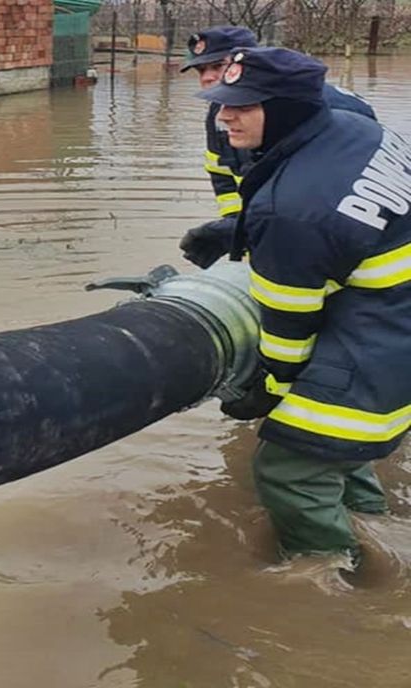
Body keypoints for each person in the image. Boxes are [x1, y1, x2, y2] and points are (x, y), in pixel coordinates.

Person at [197, 46, 411, 566]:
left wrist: (269, 387)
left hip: (388, 331)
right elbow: (349, 221)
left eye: (244, 106)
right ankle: (374, 527)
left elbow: (289, 327)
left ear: (286, 109)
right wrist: (242, 230)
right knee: (332, 444)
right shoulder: (354, 129)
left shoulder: (291, 211)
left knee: (288, 467)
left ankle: (332, 577)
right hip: (392, 305)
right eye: (225, 102)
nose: (224, 116)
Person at [177, 27, 377, 269]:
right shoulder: (220, 112)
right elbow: (221, 171)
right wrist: (238, 224)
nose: (207, 78)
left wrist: (249, 227)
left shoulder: (315, 110)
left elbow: (320, 203)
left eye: (218, 66)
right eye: (201, 70)